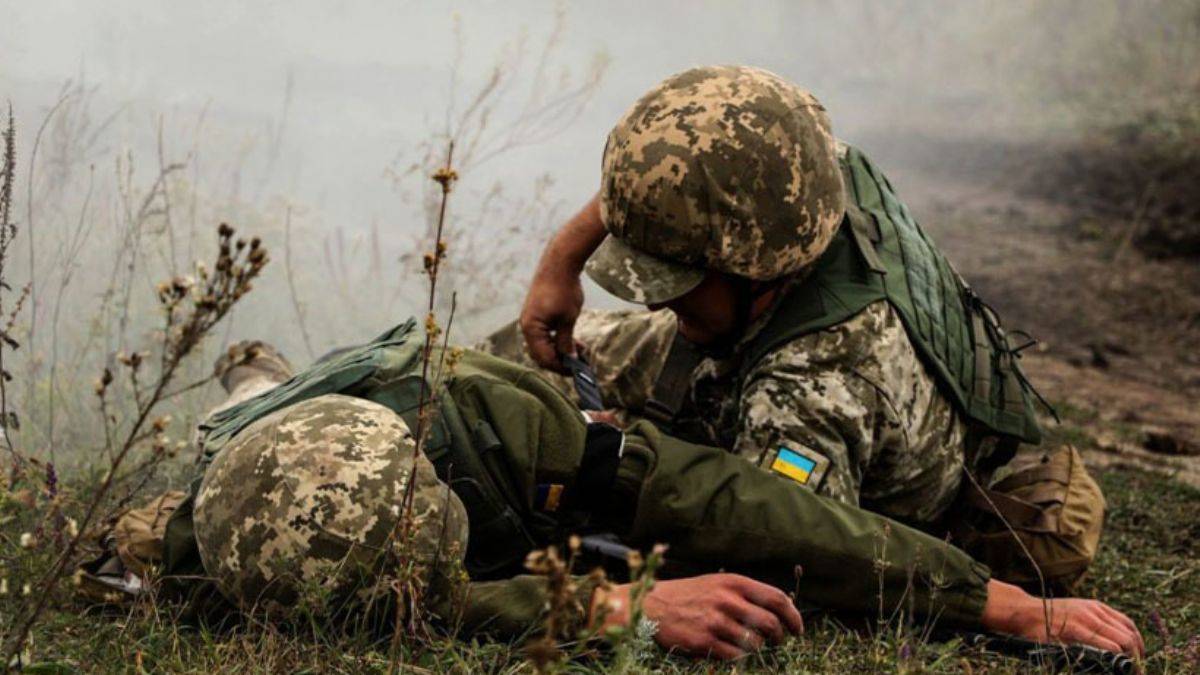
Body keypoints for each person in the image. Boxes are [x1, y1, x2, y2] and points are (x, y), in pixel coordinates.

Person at [148, 322, 1141, 661]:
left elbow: (735, 502)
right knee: (251, 401)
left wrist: (993, 601)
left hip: (440, 407)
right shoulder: (198, 556)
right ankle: (255, 373)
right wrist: (608, 607)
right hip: (258, 452)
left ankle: (262, 366)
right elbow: (431, 604)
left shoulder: (499, 423)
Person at [484, 64, 1105, 596]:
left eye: (678, 282)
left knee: (549, 444)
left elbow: (776, 558)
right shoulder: (798, 175)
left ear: (752, 263)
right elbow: (678, 175)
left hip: (834, 439)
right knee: (512, 363)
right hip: (763, 332)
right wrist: (561, 263)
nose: (658, 304)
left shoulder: (810, 392)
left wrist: (624, 466)